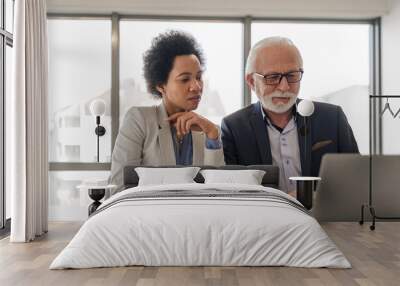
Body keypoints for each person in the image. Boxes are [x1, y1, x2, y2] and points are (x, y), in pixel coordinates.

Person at [221, 36, 358, 194]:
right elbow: (231, 191)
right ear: (251, 81)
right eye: (272, 77)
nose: (284, 87)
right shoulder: (234, 127)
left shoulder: (332, 118)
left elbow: (356, 176)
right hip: (264, 215)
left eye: (292, 76)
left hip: (323, 215)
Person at [110, 31, 224, 190]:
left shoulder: (206, 130)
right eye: (185, 79)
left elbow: (216, 190)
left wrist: (212, 134)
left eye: (198, 77)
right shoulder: (139, 120)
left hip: (197, 213)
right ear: (160, 85)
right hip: (148, 213)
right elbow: (119, 185)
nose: (196, 86)